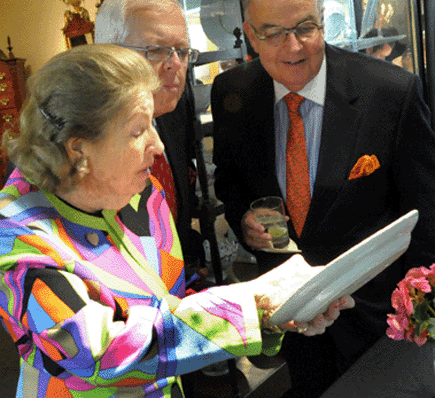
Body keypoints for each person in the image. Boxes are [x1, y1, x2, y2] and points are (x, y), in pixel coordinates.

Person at [0, 44, 353, 398]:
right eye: (138, 131)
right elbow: (100, 354)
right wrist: (249, 304)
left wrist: (274, 310)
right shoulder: (14, 235)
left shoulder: (143, 194)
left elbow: (172, 299)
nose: (158, 145)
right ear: (79, 149)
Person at [211, 0, 435, 398]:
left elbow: (426, 210)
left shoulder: (390, 92)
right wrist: (245, 220)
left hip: (378, 317)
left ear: (324, 22)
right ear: (250, 34)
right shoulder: (231, 92)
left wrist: (420, 313)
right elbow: (231, 180)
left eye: (305, 27)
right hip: (292, 314)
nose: (293, 47)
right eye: (273, 32)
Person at [94, 0, 205, 278]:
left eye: (182, 51)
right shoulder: (72, 137)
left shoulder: (172, 108)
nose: (177, 64)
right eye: (157, 51)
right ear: (110, 54)